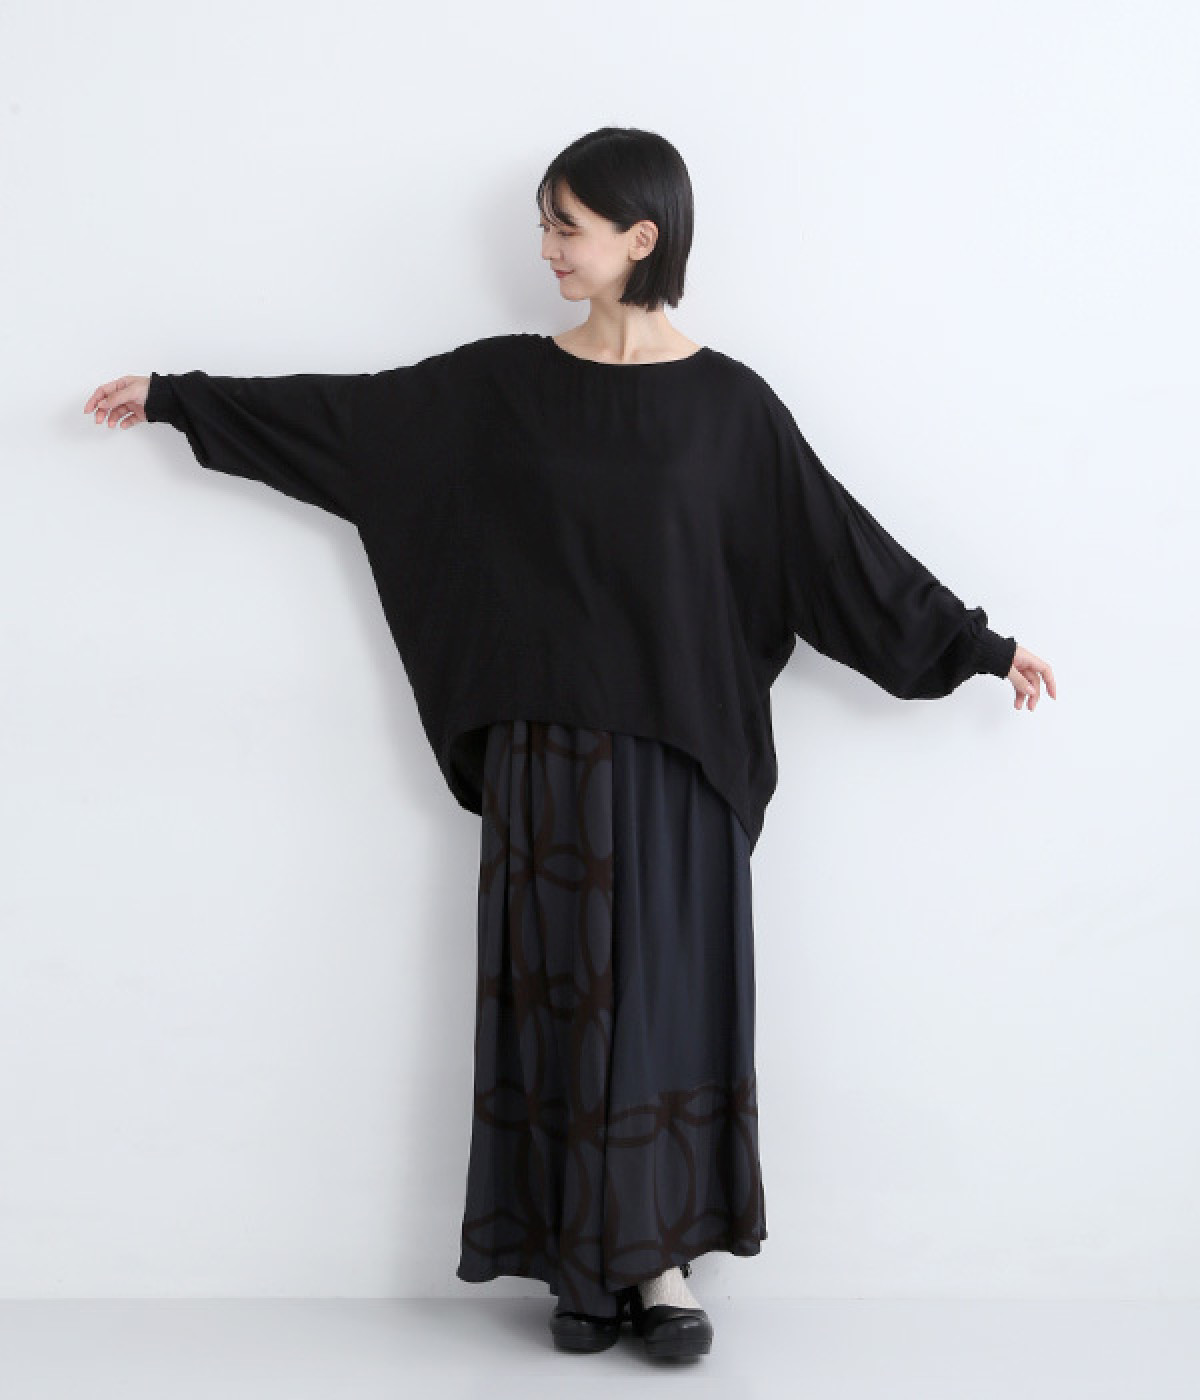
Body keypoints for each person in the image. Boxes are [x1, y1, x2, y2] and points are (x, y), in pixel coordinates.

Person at [83, 125, 1055, 1364]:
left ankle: (658, 1264)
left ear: (641, 236)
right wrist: (181, 398)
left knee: (661, 1012)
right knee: (562, 1006)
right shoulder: (502, 388)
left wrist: (975, 644)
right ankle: (579, 1262)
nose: (545, 247)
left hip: (680, 764)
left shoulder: (731, 409)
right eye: (543, 223)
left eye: (566, 225)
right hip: (546, 761)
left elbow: (835, 549)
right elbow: (355, 425)